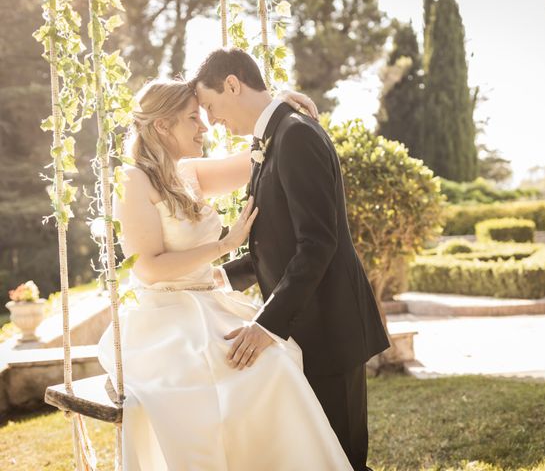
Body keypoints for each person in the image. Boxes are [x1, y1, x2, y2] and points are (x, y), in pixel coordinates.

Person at [97, 78, 353, 470]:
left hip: (210, 307)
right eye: (192, 119)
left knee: (276, 361)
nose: (205, 127)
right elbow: (148, 266)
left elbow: (266, 149)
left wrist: (278, 100)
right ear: (163, 126)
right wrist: (222, 246)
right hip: (165, 318)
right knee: (218, 391)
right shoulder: (133, 180)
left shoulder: (191, 173)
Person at [192, 47, 390, 471]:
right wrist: (219, 276)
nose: (212, 121)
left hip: (331, 327)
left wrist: (266, 326)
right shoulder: (270, 139)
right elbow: (273, 240)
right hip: (306, 328)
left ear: (233, 84)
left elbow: (318, 242)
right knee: (318, 456)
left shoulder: (296, 133)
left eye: (210, 106)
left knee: (344, 458)